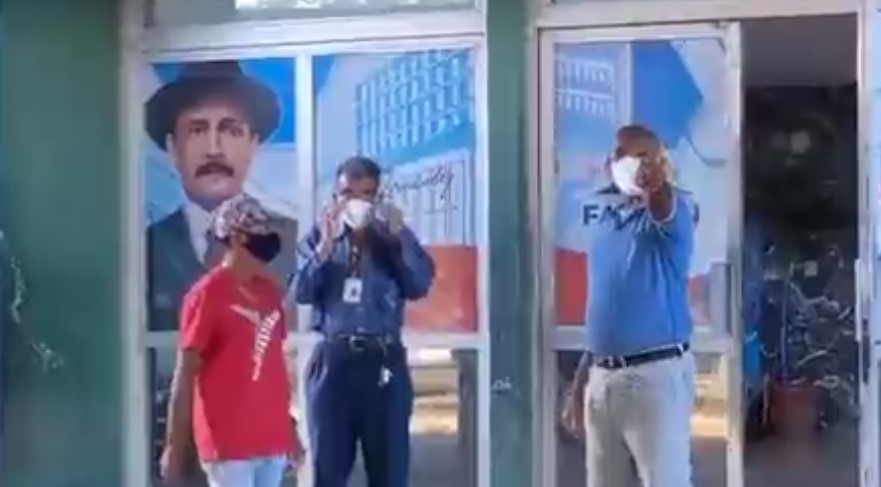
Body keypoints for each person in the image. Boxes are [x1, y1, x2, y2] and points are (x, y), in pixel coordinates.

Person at [561, 124, 697, 487]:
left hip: (653, 376)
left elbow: (664, 207)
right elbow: (605, 308)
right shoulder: (607, 224)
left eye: (638, 156)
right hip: (602, 378)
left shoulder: (672, 213)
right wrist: (580, 385)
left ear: (657, 164)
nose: (624, 162)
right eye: (619, 154)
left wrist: (657, 185)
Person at [294, 156, 435, 487]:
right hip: (334, 362)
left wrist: (398, 240)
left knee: (389, 470)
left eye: (366, 193)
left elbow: (419, 285)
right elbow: (300, 291)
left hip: (383, 361)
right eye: (348, 193)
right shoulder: (319, 237)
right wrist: (326, 249)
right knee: (327, 472)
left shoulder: (394, 236)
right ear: (335, 198)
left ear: (378, 197)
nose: (356, 202)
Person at [161, 194, 304, 487]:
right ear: (238, 237)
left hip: (271, 440)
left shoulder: (269, 293)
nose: (269, 241)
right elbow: (185, 373)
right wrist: (175, 445)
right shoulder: (206, 295)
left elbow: (273, 367)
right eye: (260, 233)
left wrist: (288, 426)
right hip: (228, 445)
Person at [145, 60, 298, 333]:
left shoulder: (289, 240)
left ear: (253, 144)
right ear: (172, 147)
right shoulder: (148, 247)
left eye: (231, 130)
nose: (214, 149)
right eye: (197, 130)